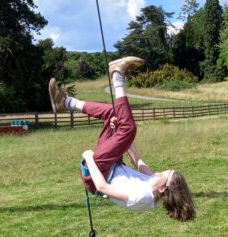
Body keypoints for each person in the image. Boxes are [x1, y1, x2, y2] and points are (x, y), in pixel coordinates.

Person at [49, 56, 195, 221]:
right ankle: (65, 103)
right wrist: (123, 137)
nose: (160, 172)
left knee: (129, 128)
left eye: (164, 174)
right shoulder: (154, 181)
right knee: (114, 114)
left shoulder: (143, 197)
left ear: (163, 189)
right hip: (111, 163)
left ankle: (117, 75)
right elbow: (138, 161)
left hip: (98, 173)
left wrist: (89, 159)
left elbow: (102, 187)